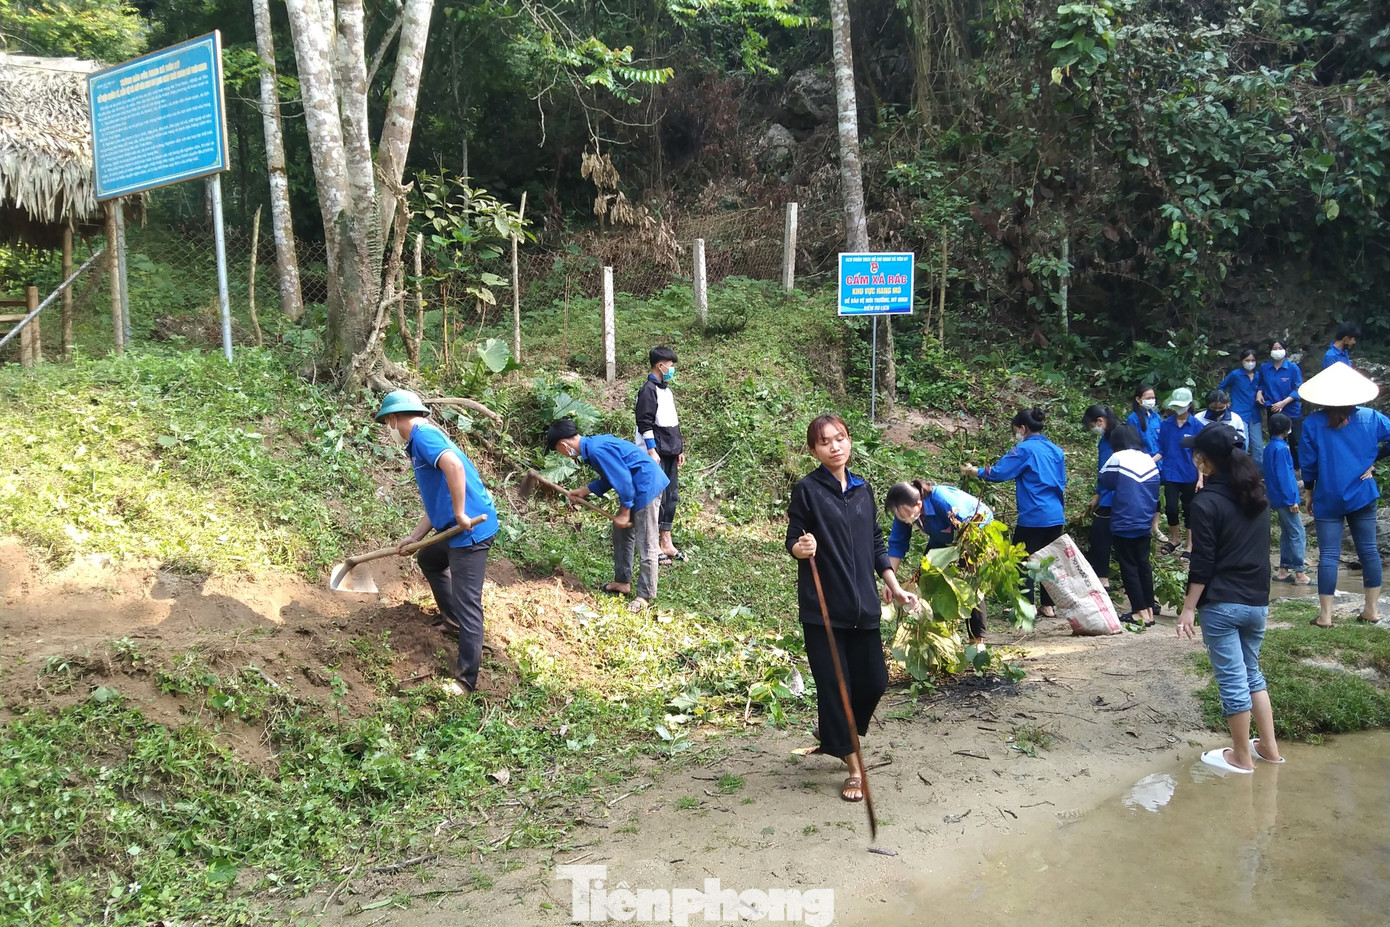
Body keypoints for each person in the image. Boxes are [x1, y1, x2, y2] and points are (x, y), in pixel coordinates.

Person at [787, 414, 916, 803]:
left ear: (849, 441)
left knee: (874, 681)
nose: (835, 446)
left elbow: (875, 542)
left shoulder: (863, 489)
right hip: (824, 612)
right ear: (814, 450)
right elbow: (794, 540)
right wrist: (802, 548)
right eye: (825, 442)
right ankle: (855, 768)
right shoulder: (808, 490)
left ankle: (834, 733)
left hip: (864, 607)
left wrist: (894, 585)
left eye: (840, 438)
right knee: (837, 689)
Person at [1177, 423, 1283, 774]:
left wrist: (1188, 608)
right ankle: (1268, 748)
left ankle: (1240, 756)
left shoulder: (1205, 502)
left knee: (1233, 681)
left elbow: (1202, 562)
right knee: (1253, 674)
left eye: (1197, 455)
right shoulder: (1257, 497)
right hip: (1257, 601)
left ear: (1204, 461)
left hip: (1222, 604)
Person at [376, 390, 499, 692]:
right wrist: (416, 536)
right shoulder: (419, 442)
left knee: (469, 602)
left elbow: (454, 466)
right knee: (429, 558)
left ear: (394, 419)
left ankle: (466, 681)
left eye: (388, 423)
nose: (389, 430)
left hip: (469, 531)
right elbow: (438, 498)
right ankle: (452, 620)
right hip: (453, 528)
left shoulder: (424, 437)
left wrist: (460, 512)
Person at [1297, 363, 1390, 628]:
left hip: (1328, 494)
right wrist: (1374, 460)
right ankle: (1371, 610)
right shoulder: (1371, 417)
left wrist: (1309, 493)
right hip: (1362, 492)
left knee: (1328, 554)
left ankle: (1325, 616)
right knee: (1369, 550)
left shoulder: (1313, 423)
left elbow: (1308, 464)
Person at [547, 419, 669, 613]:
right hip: (637, 485)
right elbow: (610, 477)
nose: (562, 454)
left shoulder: (597, 450)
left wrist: (625, 511)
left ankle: (644, 595)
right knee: (621, 533)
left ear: (563, 445)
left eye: (558, 450)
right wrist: (585, 491)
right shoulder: (593, 446)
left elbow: (624, 480)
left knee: (647, 542)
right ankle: (622, 581)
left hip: (646, 485)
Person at [961, 407, 1067, 620]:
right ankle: (1048, 606)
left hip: (1034, 514)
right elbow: (1062, 480)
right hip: (1055, 513)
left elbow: (1000, 472)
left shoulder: (1024, 450)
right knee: (1048, 559)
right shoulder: (1056, 450)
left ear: (1022, 428)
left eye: (1016, 430)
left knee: (1022, 559)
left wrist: (974, 471)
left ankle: (1028, 606)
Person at [883, 479, 994, 645]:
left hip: (972, 535)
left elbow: (971, 526)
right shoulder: (904, 512)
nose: (906, 520)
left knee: (969, 585)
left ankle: (976, 641)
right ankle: (935, 634)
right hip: (942, 539)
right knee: (925, 578)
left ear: (919, 504)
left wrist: (958, 561)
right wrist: (890, 582)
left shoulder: (943, 500)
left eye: (907, 516)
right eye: (900, 517)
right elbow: (897, 545)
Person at [1098, 424, 1161, 627]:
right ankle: (1149, 609)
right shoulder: (1147, 458)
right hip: (1145, 519)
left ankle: (1139, 611)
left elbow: (1105, 480)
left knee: (1128, 565)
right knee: (1143, 564)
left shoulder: (1117, 457)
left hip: (1125, 518)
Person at [634, 346, 687, 564]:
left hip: (670, 451)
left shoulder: (667, 390)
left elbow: (672, 421)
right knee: (656, 498)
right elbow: (644, 423)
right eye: (671, 365)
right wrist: (651, 450)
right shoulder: (647, 390)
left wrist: (679, 449)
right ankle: (653, 544)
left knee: (671, 496)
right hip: (655, 452)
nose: (672, 369)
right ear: (660, 365)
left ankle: (667, 541)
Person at [1263, 413, 1309, 586]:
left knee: (1288, 532)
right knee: (1298, 533)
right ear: (1286, 429)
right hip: (1285, 497)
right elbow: (1285, 476)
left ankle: (1283, 571)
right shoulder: (1281, 448)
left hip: (1275, 496)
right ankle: (1300, 573)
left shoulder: (1269, 447)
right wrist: (1291, 499)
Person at [1157, 388, 1202, 556]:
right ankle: (1174, 539)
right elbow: (1162, 450)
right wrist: (1147, 462)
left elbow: (1199, 454)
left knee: (1189, 509)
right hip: (1170, 473)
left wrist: (1200, 478)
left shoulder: (1197, 426)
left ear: (1190, 404)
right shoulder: (1166, 424)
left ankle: (1190, 545)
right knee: (1171, 508)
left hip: (1190, 474)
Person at [1082, 405, 1119, 587]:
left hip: (1118, 495)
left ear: (1099, 421)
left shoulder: (1117, 438)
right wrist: (1098, 494)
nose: (1092, 430)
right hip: (1108, 494)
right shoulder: (1105, 440)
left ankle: (1103, 578)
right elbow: (1102, 471)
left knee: (1100, 534)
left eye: (1091, 426)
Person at [1256, 339, 1304, 471]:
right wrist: (1259, 393)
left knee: (1295, 441)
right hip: (1273, 408)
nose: (1277, 351)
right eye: (1274, 348)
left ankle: (1297, 469)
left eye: (1280, 348)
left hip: (1291, 409)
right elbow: (1261, 384)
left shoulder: (1293, 368)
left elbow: (1298, 389)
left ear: (1286, 350)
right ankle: (1278, 466)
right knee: (1276, 441)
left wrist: (1283, 402)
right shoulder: (1265, 368)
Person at [1220, 347, 1263, 465]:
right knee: (1243, 444)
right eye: (1247, 360)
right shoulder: (1235, 374)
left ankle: (1258, 473)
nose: (1250, 363)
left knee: (1259, 447)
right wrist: (1225, 401)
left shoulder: (1259, 376)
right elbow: (1221, 387)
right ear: (1242, 361)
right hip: (1239, 413)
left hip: (1255, 415)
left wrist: (1260, 392)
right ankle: (1240, 471)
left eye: (1253, 360)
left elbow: (1263, 387)